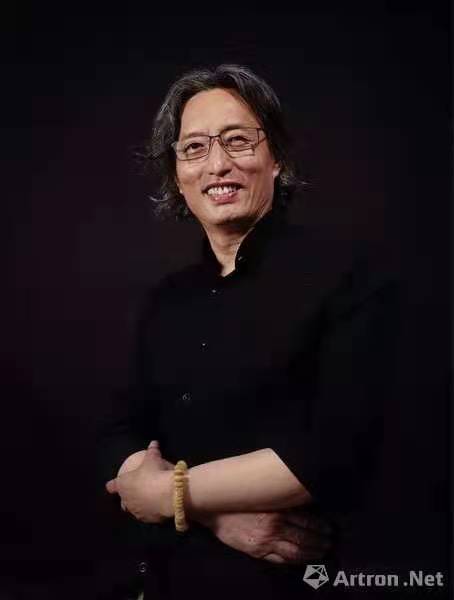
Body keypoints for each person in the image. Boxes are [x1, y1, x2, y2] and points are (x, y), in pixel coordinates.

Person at [97, 64, 399, 600]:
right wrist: (210, 516)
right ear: (177, 174)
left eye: (238, 140)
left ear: (275, 158)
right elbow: (118, 432)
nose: (218, 163)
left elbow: (333, 450)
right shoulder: (166, 300)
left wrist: (168, 494)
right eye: (194, 148)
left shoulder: (349, 277)